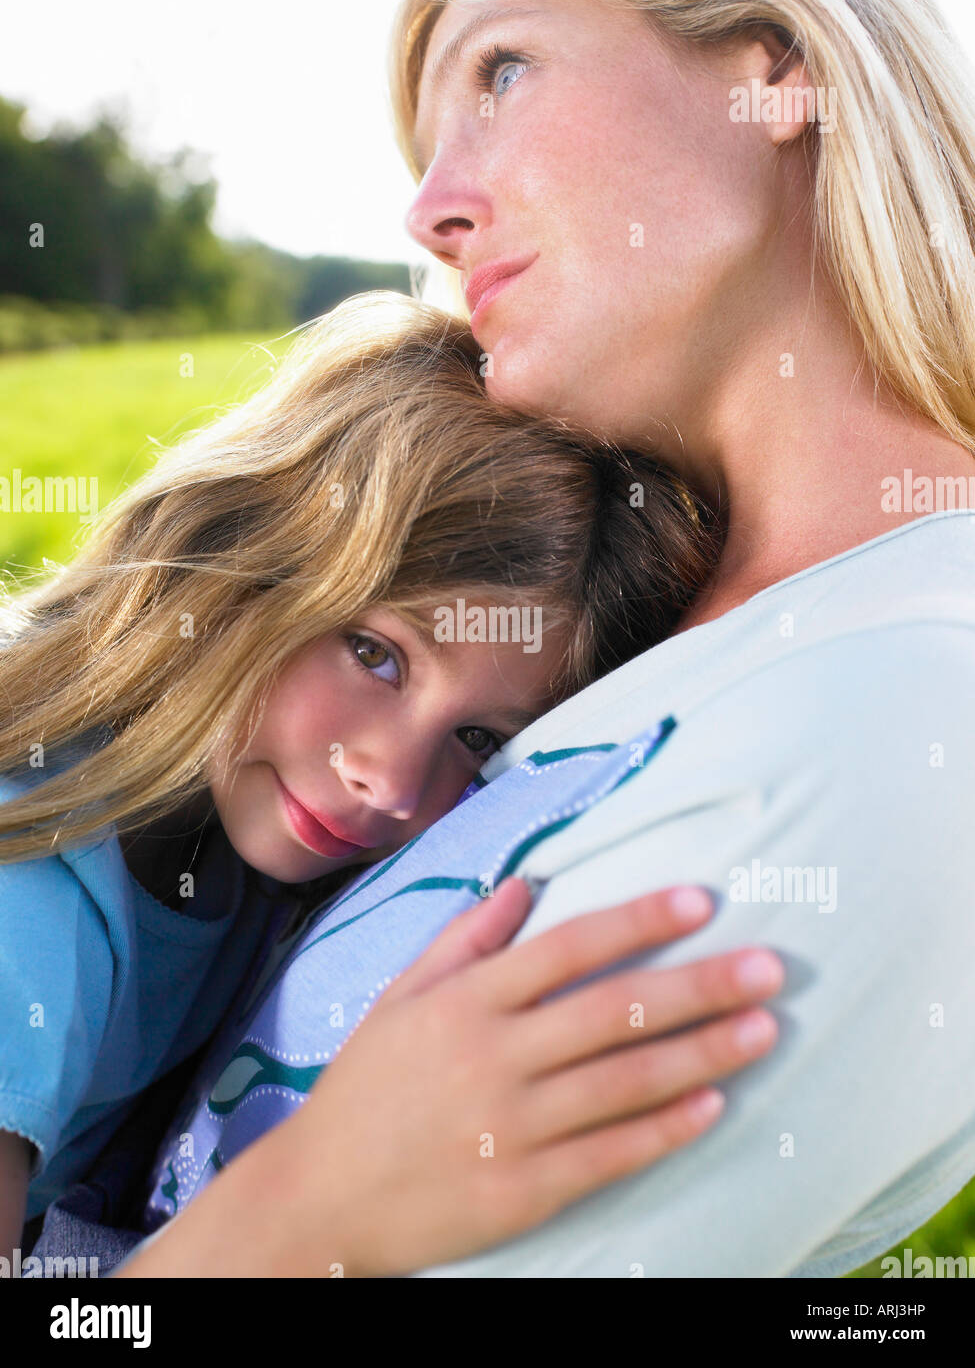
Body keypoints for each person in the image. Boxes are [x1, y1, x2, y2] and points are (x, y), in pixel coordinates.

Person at [110, 0, 975, 1278]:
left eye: (499, 72)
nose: (427, 209)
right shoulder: (630, 622)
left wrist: (279, 1217)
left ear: (776, 69)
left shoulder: (907, 711)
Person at [0, 290, 784, 1269]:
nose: (387, 778)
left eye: (475, 734)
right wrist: (319, 1191)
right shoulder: (28, 881)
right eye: (374, 653)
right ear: (235, 554)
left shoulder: (229, 829)